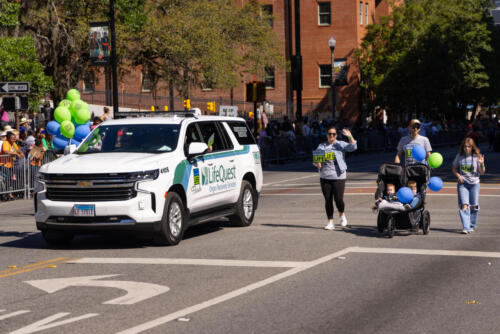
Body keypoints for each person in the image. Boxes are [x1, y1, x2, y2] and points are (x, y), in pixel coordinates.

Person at [313, 126, 357, 230]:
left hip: (339, 176)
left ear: (336, 135)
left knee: (339, 199)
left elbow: (353, 147)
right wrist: (317, 163)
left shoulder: (340, 144)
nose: (331, 136)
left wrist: (350, 136)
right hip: (325, 176)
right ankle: (330, 222)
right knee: (328, 200)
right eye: (329, 134)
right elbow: (316, 161)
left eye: (333, 134)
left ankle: (342, 214)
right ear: (326, 135)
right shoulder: (322, 146)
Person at [451, 137, 485, 234]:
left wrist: (481, 164)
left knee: (474, 205)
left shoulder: (476, 156)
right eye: (465, 147)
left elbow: (482, 172)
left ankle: (472, 225)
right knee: (464, 205)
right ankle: (465, 227)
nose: (467, 148)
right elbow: (454, 168)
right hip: (463, 184)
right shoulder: (459, 156)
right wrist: (458, 176)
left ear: (472, 147)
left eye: (469, 147)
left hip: (474, 184)